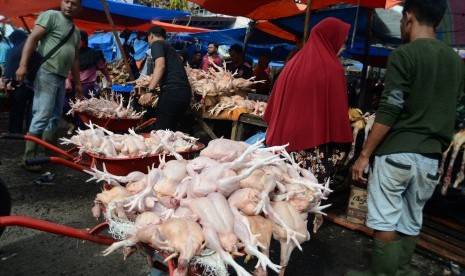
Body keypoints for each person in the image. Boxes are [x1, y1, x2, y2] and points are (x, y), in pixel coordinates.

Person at [348, 0, 465, 275]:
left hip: (397, 153)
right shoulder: (456, 63)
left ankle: (382, 273)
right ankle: (402, 270)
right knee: (412, 218)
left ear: (408, 18)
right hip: (431, 159)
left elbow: (391, 108)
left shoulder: (404, 55)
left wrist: (364, 155)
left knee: (385, 220)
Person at [264, 17, 353, 184]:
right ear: (330, 38)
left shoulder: (293, 63)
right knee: (304, 199)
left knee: (282, 197)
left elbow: (273, 107)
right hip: (309, 147)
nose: (344, 47)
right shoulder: (333, 69)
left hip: (278, 146)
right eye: (343, 42)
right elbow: (337, 116)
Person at [16, 0, 82, 171]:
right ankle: (28, 157)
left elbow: (74, 59)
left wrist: (78, 83)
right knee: (42, 114)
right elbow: (33, 38)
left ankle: (50, 154)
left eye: (73, 3)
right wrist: (22, 65)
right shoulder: (52, 16)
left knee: (54, 116)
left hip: (60, 77)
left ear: (79, 7)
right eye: (66, 1)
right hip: (47, 72)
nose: (69, 6)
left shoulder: (76, 32)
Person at [64, 30, 112, 134]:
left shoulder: (93, 54)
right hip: (71, 86)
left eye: (81, 40)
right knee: (65, 106)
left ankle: (83, 132)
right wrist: (67, 81)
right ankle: (73, 122)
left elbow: (102, 68)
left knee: (83, 108)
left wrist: (108, 79)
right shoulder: (69, 53)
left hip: (87, 86)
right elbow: (65, 69)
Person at [145, 26, 191, 131]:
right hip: (184, 93)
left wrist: (149, 90)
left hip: (172, 93)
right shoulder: (170, 47)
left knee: (161, 133)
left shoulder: (156, 44)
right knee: (171, 132)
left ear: (151, 35)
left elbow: (160, 66)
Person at [2, 30, 41, 134]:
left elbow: (9, 69)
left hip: (16, 83)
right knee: (31, 108)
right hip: (29, 83)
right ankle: (31, 131)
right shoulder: (27, 48)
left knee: (17, 107)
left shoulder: (15, 50)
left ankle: (15, 130)